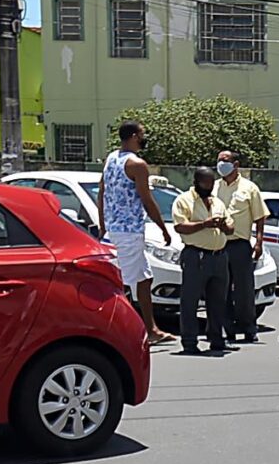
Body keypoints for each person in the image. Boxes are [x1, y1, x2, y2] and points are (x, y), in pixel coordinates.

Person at [102, 120, 172, 345]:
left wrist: (103, 225)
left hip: (115, 230)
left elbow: (102, 192)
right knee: (121, 285)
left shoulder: (111, 158)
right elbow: (147, 200)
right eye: (142, 134)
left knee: (144, 278)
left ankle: (151, 328)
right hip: (128, 232)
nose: (144, 137)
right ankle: (118, 331)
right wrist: (163, 228)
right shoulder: (137, 164)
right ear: (133, 136)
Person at [168, 164, 234, 356]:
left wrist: (222, 226)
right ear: (196, 182)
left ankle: (216, 339)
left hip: (219, 256)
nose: (209, 186)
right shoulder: (184, 200)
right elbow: (180, 227)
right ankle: (189, 342)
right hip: (196, 256)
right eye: (205, 183)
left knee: (218, 301)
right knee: (190, 301)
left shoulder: (217, 202)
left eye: (212, 182)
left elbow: (231, 227)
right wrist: (204, 224)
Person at [214, 149, 269, 344]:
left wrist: (259, 242)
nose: (221, 164)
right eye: (219, 160)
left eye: (225, 160)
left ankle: (248, 328)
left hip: (240, 245)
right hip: (218, 244)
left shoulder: (249, 188)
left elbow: (260, 216)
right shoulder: (214, 187)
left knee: (244, 289)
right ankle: (227, 329)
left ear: (236, 164)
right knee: (221, 289)